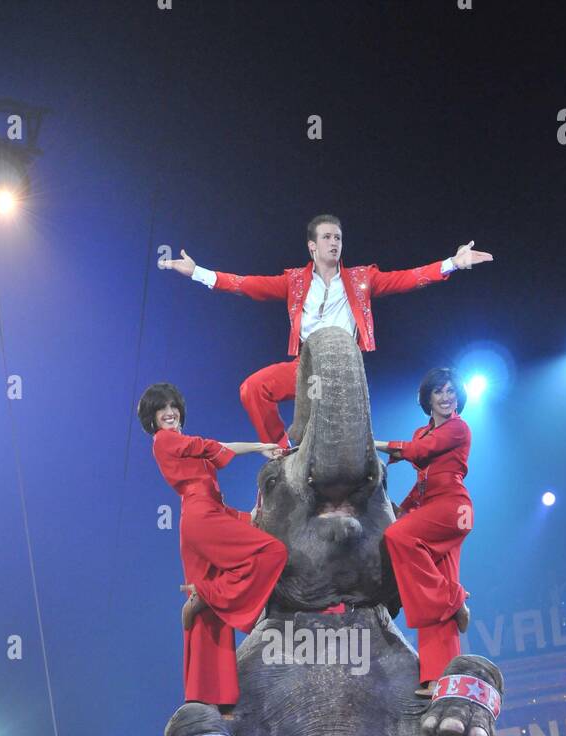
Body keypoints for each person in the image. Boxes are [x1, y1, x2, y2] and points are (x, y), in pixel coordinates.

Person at [163, 214, 493, 444]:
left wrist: (452, 263)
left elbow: (408, 277)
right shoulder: (293, 281)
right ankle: (280, 451)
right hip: (306, 365)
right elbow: (246, 284)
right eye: (327, 237)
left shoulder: (362, 278)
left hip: (343, 368)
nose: (334, 242)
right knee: (253, 389)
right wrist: (197, 272)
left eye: (338, 237)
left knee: (326, 429)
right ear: (312, 246)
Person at [138, 382, 288, 708]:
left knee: (211, 621)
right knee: (273, 551)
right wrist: (260, 446)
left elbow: (214, 495)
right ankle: (207, 595)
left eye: (173, 406)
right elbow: (214, 446)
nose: (169, 413)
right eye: (161, 409)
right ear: (152, 418)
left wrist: (246, 517)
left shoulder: (183, 448)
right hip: (200, 519)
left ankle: (209, 697)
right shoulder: (166, 441)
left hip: (203, 516)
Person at [375, 367, 474, 694]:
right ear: (428, 398)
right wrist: (400, 509)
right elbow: (421, 483)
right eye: (439, 391)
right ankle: (439, 680)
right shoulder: (421, 431)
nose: (447, 397)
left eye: (451, 391)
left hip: (452, 508)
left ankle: (454, 598)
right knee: (433, 604)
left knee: (397, 537)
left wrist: (371, 443)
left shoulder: (459, 428)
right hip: (430, 504)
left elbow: (418, 453)